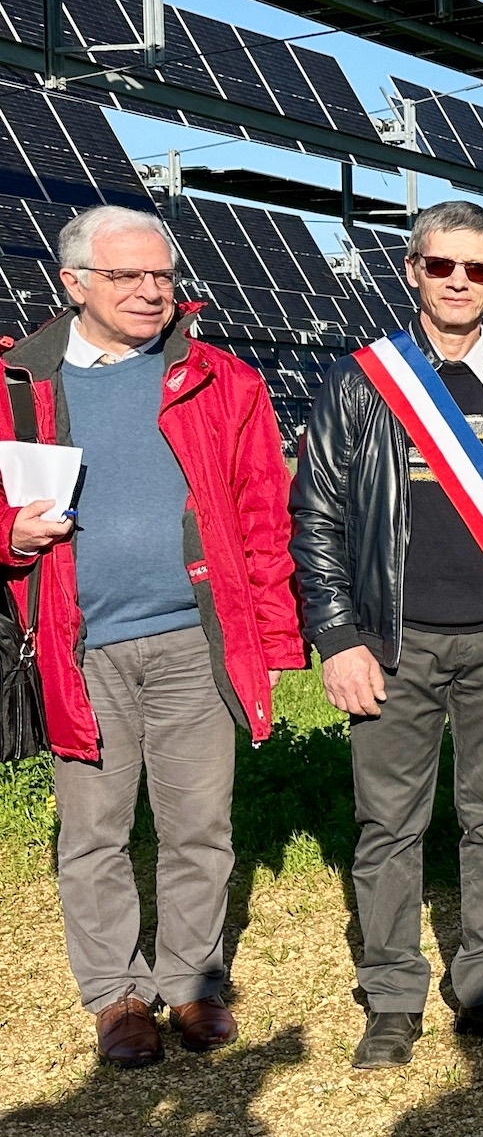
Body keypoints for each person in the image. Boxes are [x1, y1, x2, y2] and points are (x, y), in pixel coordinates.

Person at [289, 199, 483, 1069]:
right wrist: (337, 635)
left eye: (480, 269)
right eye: (443, 266)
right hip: (394, 644)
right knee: (389, 824)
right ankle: (392, 997)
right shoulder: (363, 382)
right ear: (412, 270)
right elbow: (314, 518)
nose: (460, 282)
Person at [0, 206, 303, 1068]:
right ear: (74, 285)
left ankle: (191, 984)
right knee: (93, 832)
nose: (150, 292)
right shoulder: (17, 385)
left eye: (162, 275)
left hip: (192, 641)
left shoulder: (221, 380)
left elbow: (261, 518)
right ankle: (116, 996)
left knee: (199, 826)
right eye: (127, 276)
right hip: (75, 646)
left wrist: (273, 645)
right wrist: (8, 536)